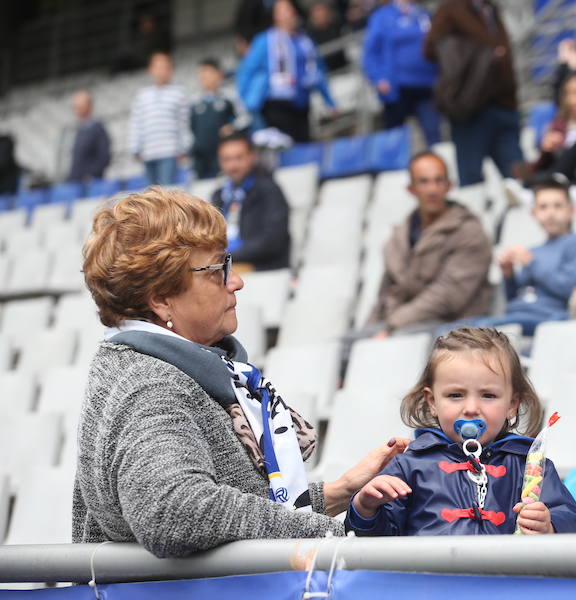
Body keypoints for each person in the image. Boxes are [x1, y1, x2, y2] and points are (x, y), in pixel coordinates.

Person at [74, 187, 407, 557]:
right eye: (218, 270)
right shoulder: (151, 383)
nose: (236, 282)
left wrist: (339, 492)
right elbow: (173, 510)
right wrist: (333, 537)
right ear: (161, 297)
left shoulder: (151, 366)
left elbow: (236, 509)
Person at [345, 327, 576, 535]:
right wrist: (366, 508)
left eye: (488, 396)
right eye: (455, 395)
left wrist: (549, 526)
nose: (471, 409)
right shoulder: (409, 465)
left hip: (504, 584)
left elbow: (571, 518)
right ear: (432, 402)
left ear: (512, 404)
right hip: (429, 584)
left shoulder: (530, 466)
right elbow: (379, 541)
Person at [348, 151, 493, 351]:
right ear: (411, 189)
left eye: (438, 181)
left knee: (392, 344)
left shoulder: (469, 232)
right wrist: (370, 333)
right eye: (424, 182)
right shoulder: (399, 237)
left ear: (449, 185)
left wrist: (391, 326)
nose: (432, 189)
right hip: (401, 323)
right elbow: (384, 298)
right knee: (342, 347)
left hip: (454, 328)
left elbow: (446, 297)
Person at [440, 176, 576, 336]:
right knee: (445, 331)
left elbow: (571, 290)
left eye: (558, 206)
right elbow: (516, 297)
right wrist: (509, 275)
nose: (550, 213)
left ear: (571, 211)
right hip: (515, 314)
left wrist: (532, 263)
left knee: (473, 332)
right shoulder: (534, 250)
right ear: (534, 213)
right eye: (543, 207)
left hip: (548, 316)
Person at [424, 0, 523, 186]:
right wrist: (481, 56)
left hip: (504, 104)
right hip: (471, 107)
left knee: (518, 176)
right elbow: (431, 49)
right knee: (471, 178)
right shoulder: (451, 9)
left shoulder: (491, 10)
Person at [237, 0, 336, 142]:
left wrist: (329, 101)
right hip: (277, 106)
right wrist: (249, 102)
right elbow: (246, 71)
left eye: (290, 9)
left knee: (304, 145)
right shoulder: (265, 41)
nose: (290, 13)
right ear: (274, 15)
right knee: (285, 147)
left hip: (303, 103)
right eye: (284, 10)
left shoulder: (304, 40)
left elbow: (318, 71)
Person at [363, 0, 441, 146]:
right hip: (397, 86)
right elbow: (370, 52)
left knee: (433, 132)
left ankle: (435, 167)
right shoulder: (382, 16)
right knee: (394, 137)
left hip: (426, 84)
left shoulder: (423, 14)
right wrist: (378, 78)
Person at [211, 132, 291, 271]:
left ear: (252, 157)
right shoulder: (219, 195)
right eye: (226, 159)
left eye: (238, 158)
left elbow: (272, 241)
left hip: (261, 266)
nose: (233, 166)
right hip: (227, 264)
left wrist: (228, 256)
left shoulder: (269, 190)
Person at [128, 51, 190, 186]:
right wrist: (135, 148)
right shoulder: (142, 95)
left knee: (166, 192)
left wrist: (184, 148)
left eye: (165, 67)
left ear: (171, 70)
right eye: (158, 67)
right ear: (151, 70)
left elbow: (183, 123)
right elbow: (136, 122)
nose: (161, 71)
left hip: (170, 151)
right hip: (148, 153)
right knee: (150, 195)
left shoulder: (179, 93)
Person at [191, 59, 237, 180]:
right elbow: (188, 128)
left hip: (223, 153)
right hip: (201, 157)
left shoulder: (229, 97)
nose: (205, 77)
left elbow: (244, 118)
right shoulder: (194, 102)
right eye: (202, 74)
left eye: (209, 73)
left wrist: (233, 127)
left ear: (219, 75)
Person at [68, 90, 111, 184]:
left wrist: (91, 175)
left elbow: (104, 157)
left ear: (89, 106)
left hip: (90, 184)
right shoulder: (79, 130)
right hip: (76, 183)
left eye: (79, 107)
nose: (76, 110)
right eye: (75, 107)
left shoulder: (97, 129)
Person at [307, 1, 349, 72]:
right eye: (318, 12)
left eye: (322, 11)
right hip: (326, 73)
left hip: (344, 68)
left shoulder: (337, 26)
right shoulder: (310, 35)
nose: (321, 15)